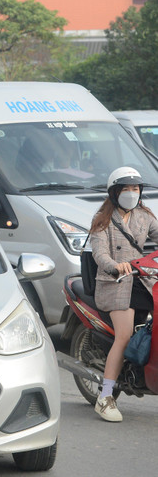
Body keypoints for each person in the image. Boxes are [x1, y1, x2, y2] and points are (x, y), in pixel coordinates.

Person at [89, 166, 158, 422]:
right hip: (115, 283)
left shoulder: (144, 216)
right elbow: (99, 253)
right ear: (114, 192)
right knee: (125, 336)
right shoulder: (103, 219)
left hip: (142, 280)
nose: (131, 193)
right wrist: (114, 265)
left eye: (135, 189)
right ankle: (105, 396)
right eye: (126, 189)